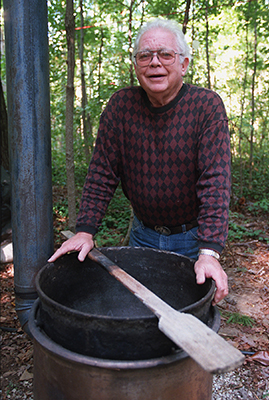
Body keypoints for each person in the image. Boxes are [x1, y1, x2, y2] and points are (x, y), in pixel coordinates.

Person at [49, 18, 231, 305]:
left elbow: (215, 182)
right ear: (136, 66)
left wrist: (209, 251)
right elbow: (101, 173)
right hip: (142, 234)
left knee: (185, 316)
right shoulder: (121, 106)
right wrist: (85, 230)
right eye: (144, 56)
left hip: (191, 239)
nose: (154, 63)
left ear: (183, 64)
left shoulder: (206, 107)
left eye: (165, 54)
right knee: (141, 311)